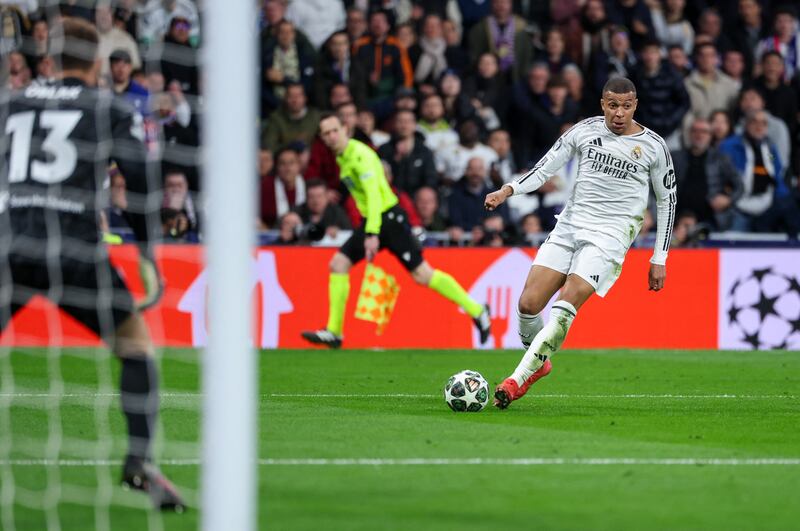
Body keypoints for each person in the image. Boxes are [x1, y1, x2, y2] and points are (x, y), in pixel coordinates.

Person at [0, 18, 184, 509]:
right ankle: (139, 462)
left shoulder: (10, 103)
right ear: (98, 63)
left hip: (9, 242)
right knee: (135, 348)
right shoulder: (109, 106)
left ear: (49, 60)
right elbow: (143, 185)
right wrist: (147, 253)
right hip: (75, 247)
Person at [483, 77, 675, 409]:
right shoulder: (584, 130)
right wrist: (508, 190)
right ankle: (539, 363)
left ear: (635, 106)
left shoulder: (654, 146)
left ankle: (515, 381)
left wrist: (659, 258)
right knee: (529, 305)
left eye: (626, 106)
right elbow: (544, 169)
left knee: (564, 306)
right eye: (613, 105)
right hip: (569, 227)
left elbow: (666, 201)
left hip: (609, 238)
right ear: (602, 104)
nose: (619, 113)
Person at [301, 113, 491, 348]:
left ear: (345, 129)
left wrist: (372, 234)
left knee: (423, 275)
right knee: (338, 265)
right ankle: (334, 332)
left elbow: (373, 196)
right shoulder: (343, 157)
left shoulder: (360, 156)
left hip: (387, 219)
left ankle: (477, 309)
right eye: (326, 133)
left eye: (334, 131)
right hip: (376, 220)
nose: (331, 136)